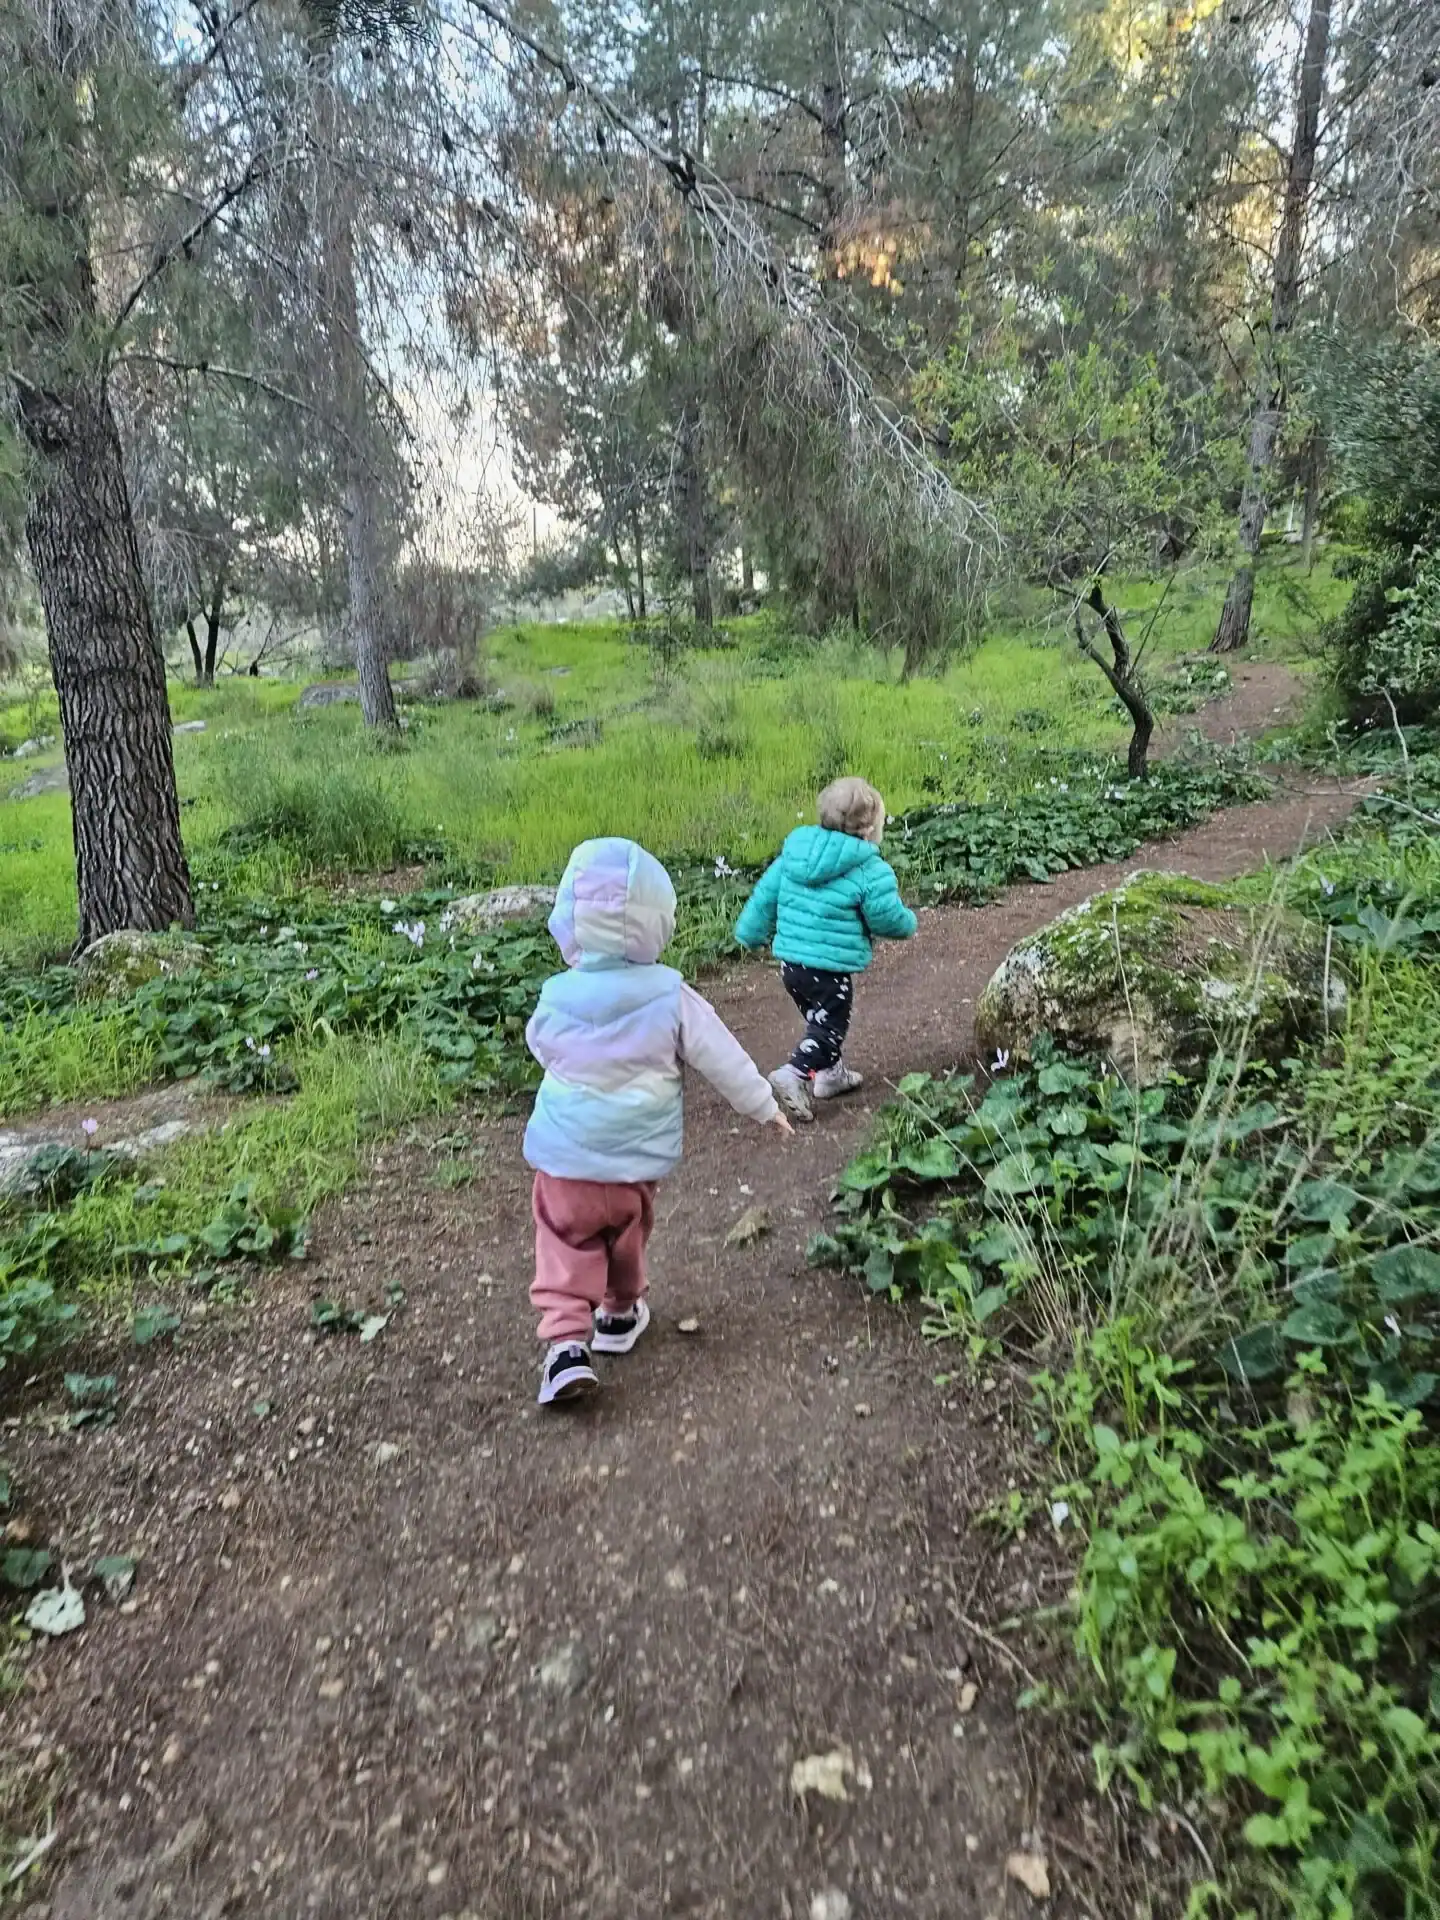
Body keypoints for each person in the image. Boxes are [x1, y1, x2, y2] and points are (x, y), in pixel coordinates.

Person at [524, 836, 793, 1406]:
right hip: (635, 1160)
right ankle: (619, 1314)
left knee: (565, 1241)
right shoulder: (671, 993)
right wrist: (763, 1105)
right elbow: (720, 1055)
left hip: (566, 1156)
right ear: (657, 919)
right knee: (626, 1233)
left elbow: (540, 1045)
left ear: (569, 917)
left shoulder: (556, 994)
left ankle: (567, 1347)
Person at [734, 776, 917, 1122]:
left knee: (818, 1019)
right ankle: (795, 1072)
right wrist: (907, 923)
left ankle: (831, 1076)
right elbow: (885, 918)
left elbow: (764, 897)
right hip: (828, 969)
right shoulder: (868, 868)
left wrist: (749, 932)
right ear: (869, 829)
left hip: (792, 966)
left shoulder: (795, 854)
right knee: (830, 1027)